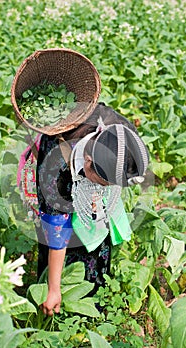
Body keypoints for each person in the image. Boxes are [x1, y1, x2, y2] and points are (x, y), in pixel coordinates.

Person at [35, 102, 149, 316]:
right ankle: (58, 299)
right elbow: (57, 228)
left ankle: (95, 294)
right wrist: (53, 289)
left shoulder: (120, 136)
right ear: (87, 162)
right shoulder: (55, 167)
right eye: (101, 182)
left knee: (97, 223)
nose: (101, 187)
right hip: (61, 161)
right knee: (62, 245)